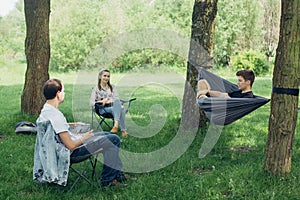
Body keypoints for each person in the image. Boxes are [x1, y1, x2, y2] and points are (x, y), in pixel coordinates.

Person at [34, 78, 128, 187]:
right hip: (72, 152)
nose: (64, 93)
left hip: (58, 149)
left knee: (108, 135)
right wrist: (85, 137)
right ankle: (108, 181)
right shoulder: (56, 116)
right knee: (114, 139)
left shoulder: (46, 111)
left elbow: (60, 135)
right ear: (58, 94)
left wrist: (79, 134)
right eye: (63, 91)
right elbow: (70, 145)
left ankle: (119, 175)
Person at [90, 68, 128, 137]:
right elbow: (91, 103)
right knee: (121, 108)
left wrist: (108, 99)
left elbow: (117, 99)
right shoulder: (96, 88)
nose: (106, 78)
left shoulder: (112, 87)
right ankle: (123, 130)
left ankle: (116, 126)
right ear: (100, 77)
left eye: (108, 76)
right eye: (104, 76)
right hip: (102, 109)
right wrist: (102, 101)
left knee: (118, 105)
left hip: (114, 107)